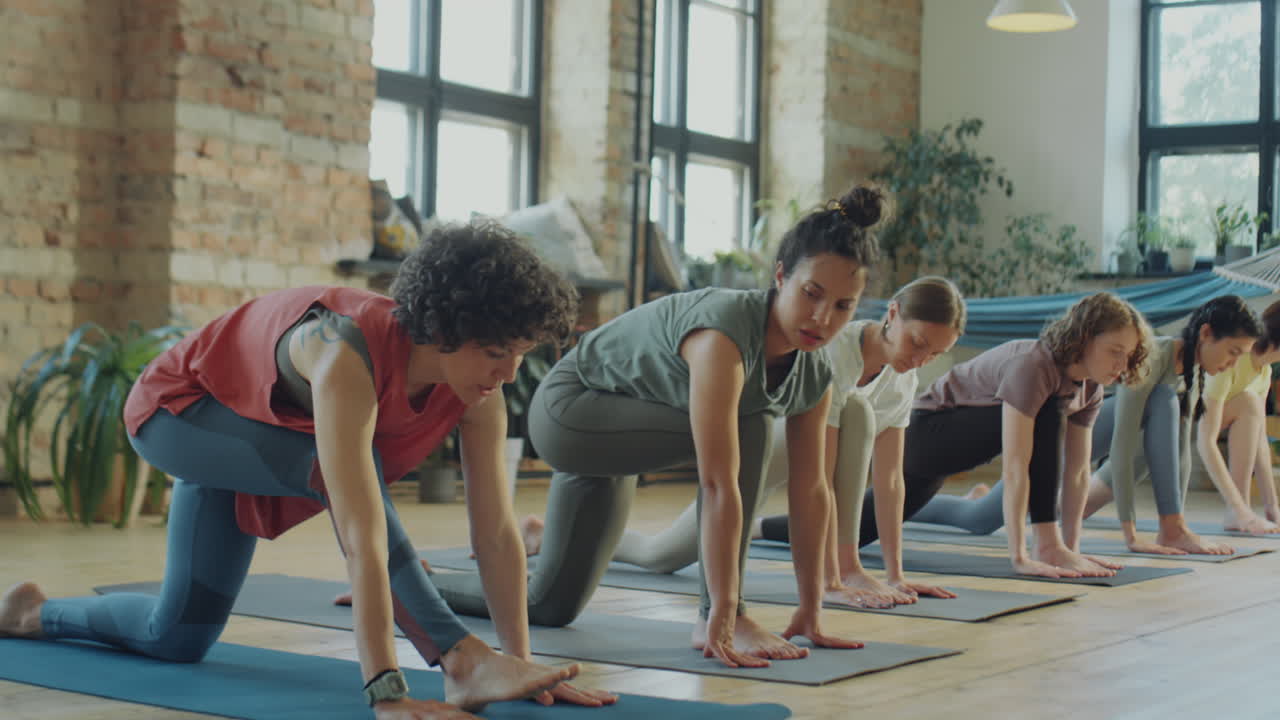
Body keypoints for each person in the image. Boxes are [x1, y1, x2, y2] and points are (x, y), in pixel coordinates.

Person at [0, 220, 617, 719]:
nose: (510, 372)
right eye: (496, 352)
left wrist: (520, 664)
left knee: (178, 637)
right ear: (443, 329)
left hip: (257, 432)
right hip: (179, 412)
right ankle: (459, 659)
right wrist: (388, 690)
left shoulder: (479, 396)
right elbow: (360, 535)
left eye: (521, 354)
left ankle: (30, 612)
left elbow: (497, 536)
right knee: (341, 472)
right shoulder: (344, 351)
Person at [431, 185, 884, 669]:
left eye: (843, 306)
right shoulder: (724, 335)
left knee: (548, 606)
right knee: (750, 423)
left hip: (623, 443)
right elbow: (717, 483)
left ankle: (415, 583)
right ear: (781, 277)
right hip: (572, 412)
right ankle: (719, 615)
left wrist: (811, 610)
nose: (822, 317)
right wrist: (726, 610)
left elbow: (811, 490)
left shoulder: (814, 372)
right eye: (811, 294)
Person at [597, 277, 966, 609]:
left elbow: (889, 482)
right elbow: (822, 476)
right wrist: (834, 580)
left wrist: (895, 574)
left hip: (815, 465)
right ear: (893, 313)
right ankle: (555, 540)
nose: (919, 360)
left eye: (933, 354)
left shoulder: (904, 379)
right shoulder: (837, 352)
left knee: (859, 412)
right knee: (660, 555)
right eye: (916, 342)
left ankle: (546, 536)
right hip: (768, 447)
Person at [947, 296, 1260, 556]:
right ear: (1206, 333)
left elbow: (1180, 454)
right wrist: (1131, 534)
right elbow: (1121, 447)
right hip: (1075, 435)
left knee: (1037, 512)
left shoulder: (1193, 373)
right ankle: (914, 503)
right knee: (978, 519)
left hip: (1092, 458)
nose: (1233, 364)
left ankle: (1174, 526)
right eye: (1233, 352)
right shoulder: (1158, 354)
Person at [893, 293, 1150, 577]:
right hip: (924, 435)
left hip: (944, 460)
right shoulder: (1035, 366)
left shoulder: (1091, 390)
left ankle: (1054, 546)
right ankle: (1046, 543)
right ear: (1085, 337)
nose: (1122, 365)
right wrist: (1019, 556)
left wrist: (1070, 550)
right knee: (1050, 406)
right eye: (1115, 351)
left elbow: (1077, 472)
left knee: (856, 529)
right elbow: (1017, 465)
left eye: (1128, 356)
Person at [1195, 298, 1280, 534]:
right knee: (1250, 403)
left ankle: (1240, 510)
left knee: (1086, 504)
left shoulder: (1264, 372)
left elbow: (1259, 439)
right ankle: (1237, 511)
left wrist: (1272, 508)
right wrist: (1239, 508)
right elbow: (1205, 435)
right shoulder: (1233, 358)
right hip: (1182, 426)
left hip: (1207, 424)